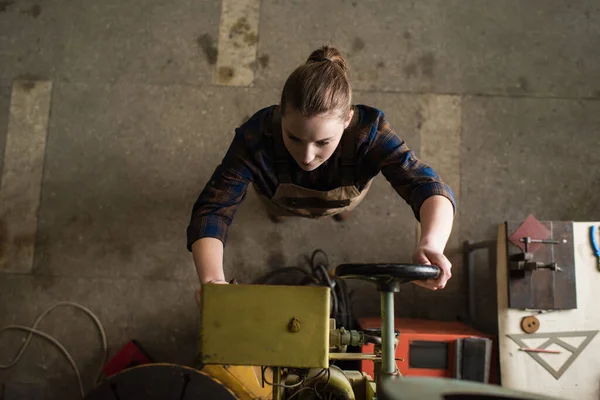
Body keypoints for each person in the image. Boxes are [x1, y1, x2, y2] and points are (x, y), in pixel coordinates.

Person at [187, 45, 456, 297]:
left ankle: (340, 212)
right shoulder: (257, 135)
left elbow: (426, 185)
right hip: (279, 199)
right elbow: (214, 207)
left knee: (343, 210)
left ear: (348, 120)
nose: (306, 156)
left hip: (343, 197)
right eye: (293, 137)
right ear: (281, 114)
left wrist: (431, 243)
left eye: (323, 142)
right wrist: (212, 282)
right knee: (277, 211)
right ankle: (283, 214)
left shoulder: (370, 133)